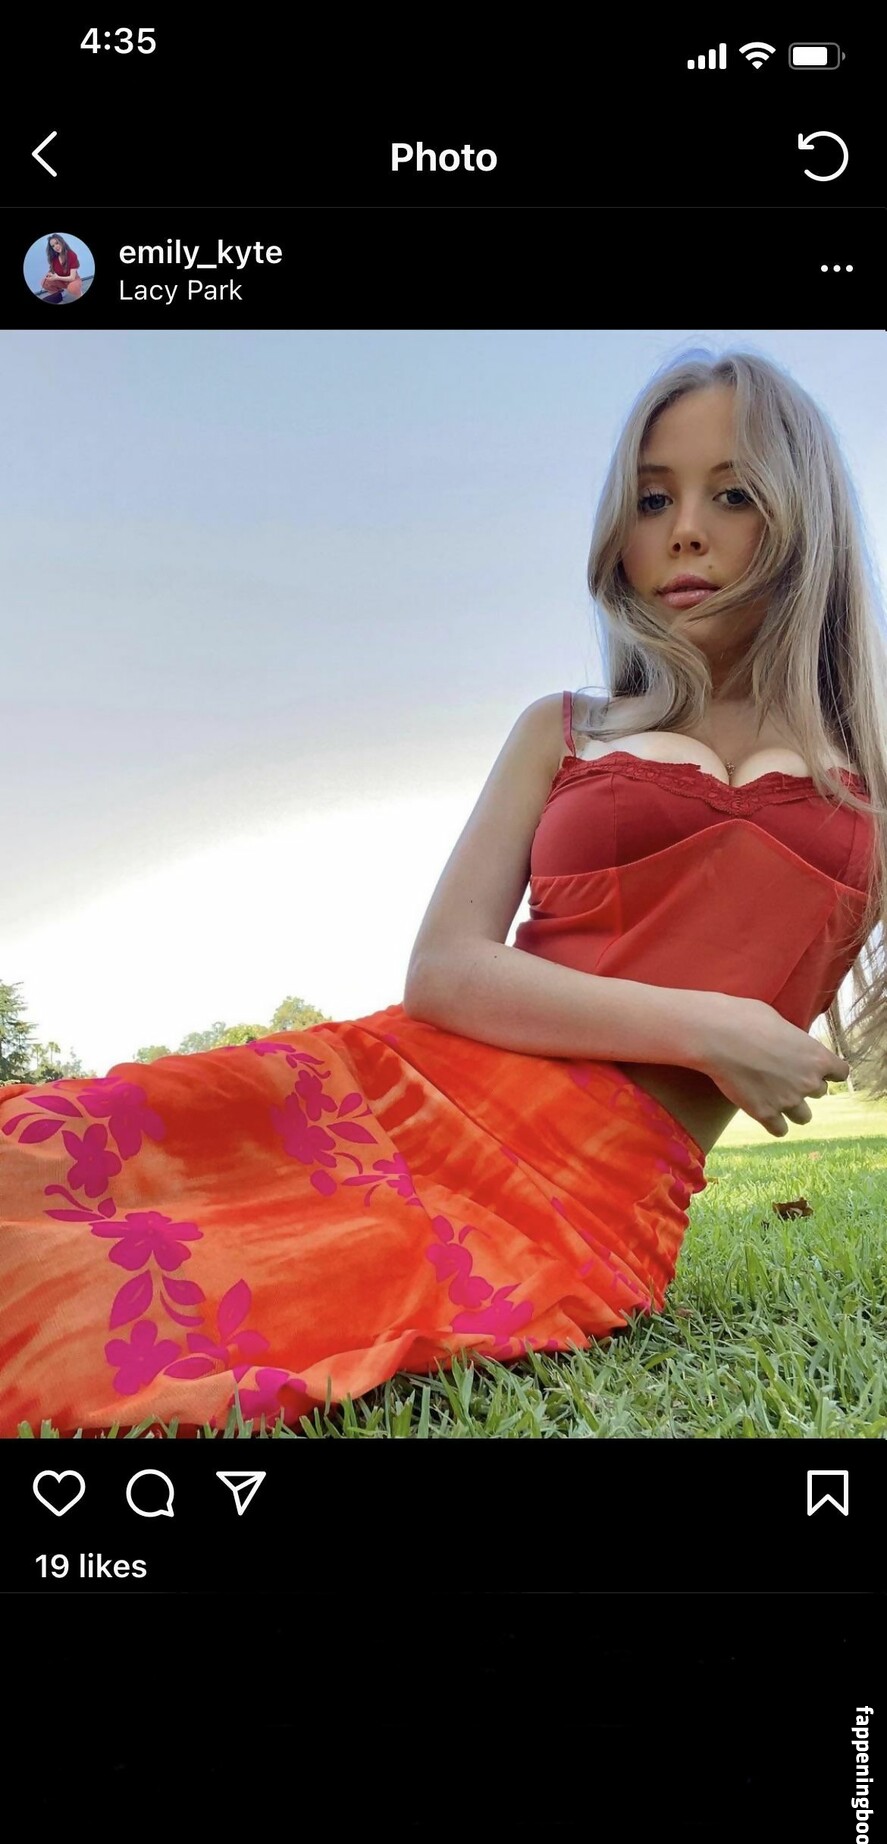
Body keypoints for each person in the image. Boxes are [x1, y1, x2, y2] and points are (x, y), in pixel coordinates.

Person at [1, 349, 885, 1440]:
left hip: (582, 1202)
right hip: (389, 1093)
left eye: (733, 493)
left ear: (805, 516)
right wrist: (710, 1028)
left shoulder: (872, 775)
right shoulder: (562, 726)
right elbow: (445, 970)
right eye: (651, 498)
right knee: (53, 1155)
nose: (684, 531)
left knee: (154, 1319)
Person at [41, 234, 83, 303]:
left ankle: (79, 294)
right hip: (61, 281)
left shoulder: (71, 254)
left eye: (57, 243)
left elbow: (72, 278)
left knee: (73, 287)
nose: (56, 247)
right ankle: (61, 293)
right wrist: (50, 274)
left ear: (62, 241)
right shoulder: (54, 258)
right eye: (53, 246)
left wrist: (57, 277)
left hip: (72, 280)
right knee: (44, 282)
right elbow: (53, 271)